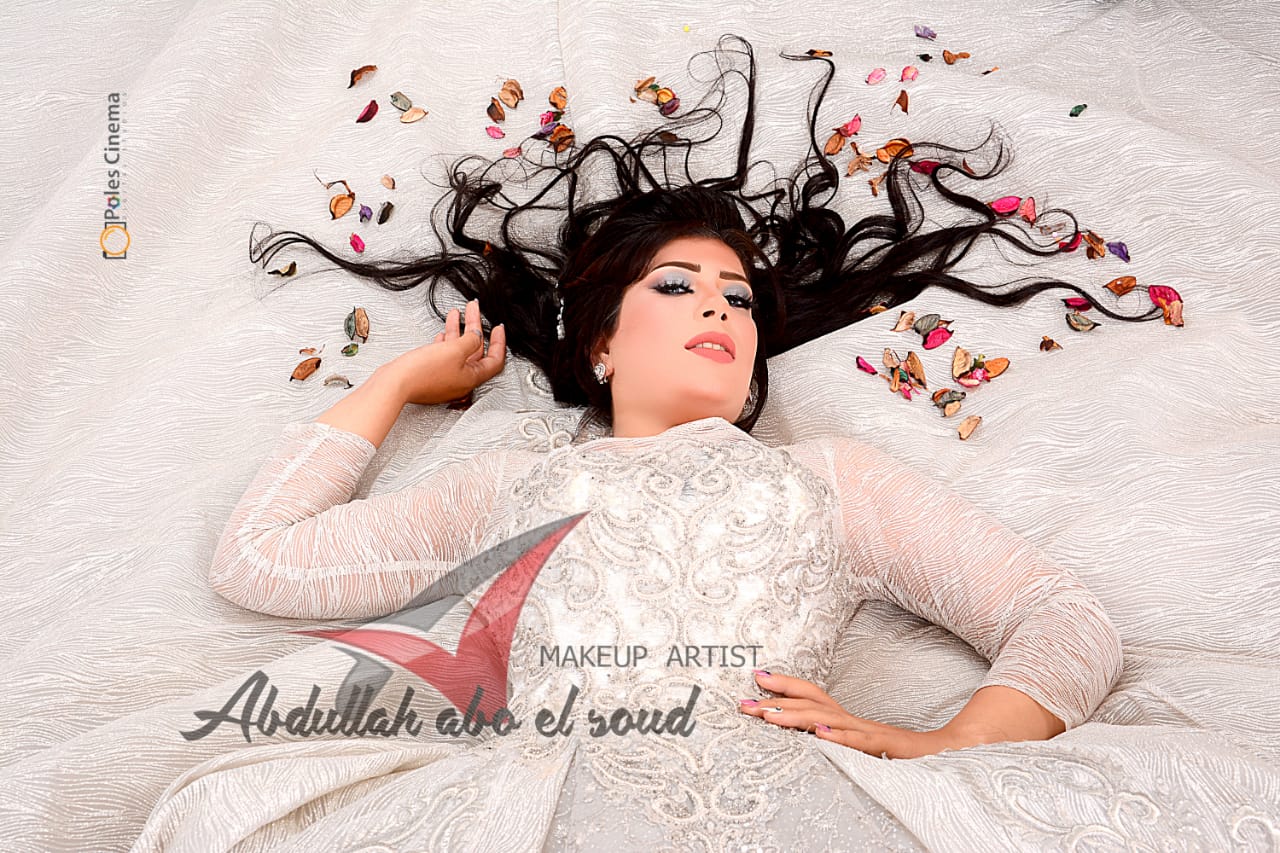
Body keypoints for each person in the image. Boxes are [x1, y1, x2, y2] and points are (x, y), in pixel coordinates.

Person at [140, 33, 1159, 852]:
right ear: (600, 342)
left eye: (738, 299)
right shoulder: (508, 490)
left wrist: (944, 742)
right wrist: (400, 381)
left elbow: (1060, 615)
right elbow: (259, 559)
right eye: (675, 286)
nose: (719, 308)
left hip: (793, 804)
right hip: (543, 808)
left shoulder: (826, 479)